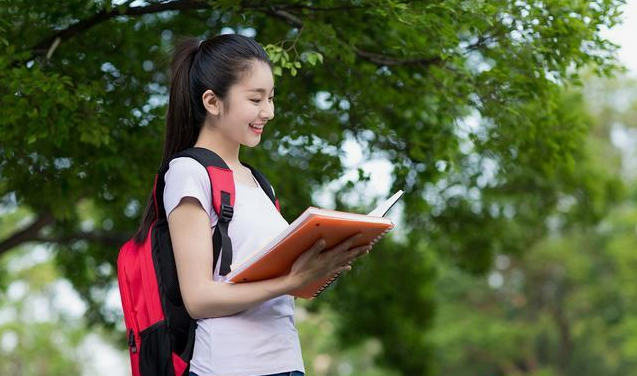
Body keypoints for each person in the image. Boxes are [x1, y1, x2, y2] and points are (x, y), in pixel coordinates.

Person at [134, 33, 372, 376]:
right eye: (256, 99)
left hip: (286, 363)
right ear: (213, 102)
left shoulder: (259, 182)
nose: (269, 112)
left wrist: (322, 265)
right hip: (229, 366)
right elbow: (198, 298)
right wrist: (290, 282)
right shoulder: (188, 173)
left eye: (271, 98)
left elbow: (273, 282)